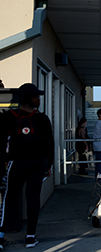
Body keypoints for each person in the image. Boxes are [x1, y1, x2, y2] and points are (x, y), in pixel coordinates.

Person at [0, 83, 54, 249]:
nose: (39, 99)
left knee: (9, 198)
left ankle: (1, 236)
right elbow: (49, 143)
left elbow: (2, 140)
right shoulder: (42, 118)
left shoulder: (10, 116)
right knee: (33, 198)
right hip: (37, 163)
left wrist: (5, 160)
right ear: (32, 98)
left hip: (16, 162)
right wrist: (48, 164)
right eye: (37, 96)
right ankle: (30, 236)